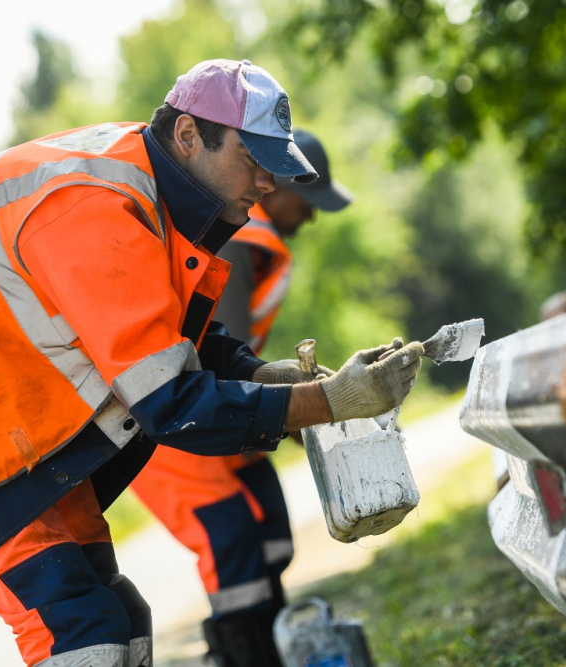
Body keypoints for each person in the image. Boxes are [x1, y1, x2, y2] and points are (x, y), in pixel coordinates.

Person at [0, 58, 423, 667]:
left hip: (3, 392)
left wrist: (262, 374)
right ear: (188, 135)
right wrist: (331, 403)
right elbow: (169, 405)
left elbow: (175, 333)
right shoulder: (99, 207)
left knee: (121, 617)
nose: (267, 185)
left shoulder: (150, 187)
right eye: (253, 160)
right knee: (81, 631)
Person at [129, 129, 352, 666]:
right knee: (234, 544)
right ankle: (242, 655)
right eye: (308, 200)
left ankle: (268, 650)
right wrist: (300, 414)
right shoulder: (245, 240)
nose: (311, 216)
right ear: (272, 185)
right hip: (181, 419)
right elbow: (215, 356)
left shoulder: (247, 236)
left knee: (270, 529)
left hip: (222, 410)